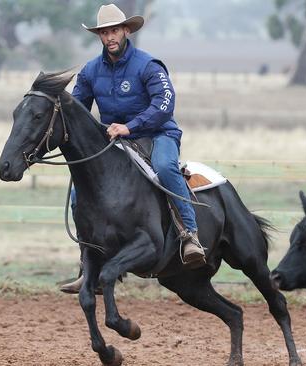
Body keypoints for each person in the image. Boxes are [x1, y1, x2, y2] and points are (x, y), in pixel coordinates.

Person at [60, 4, 205, 294]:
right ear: (99, 36)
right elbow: (78, 111)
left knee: (165, 167)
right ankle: (88, 264)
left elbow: (164, 104)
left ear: (126, 30)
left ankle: (190, 234)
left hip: (157, 134)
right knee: (79, 192)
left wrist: (131, 126)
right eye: (104, 32)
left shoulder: (149, 66)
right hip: (115, 141)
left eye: (114, 30)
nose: (110, 36)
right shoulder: (90, 71)